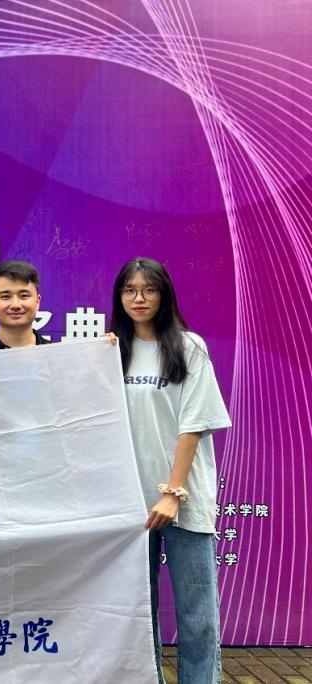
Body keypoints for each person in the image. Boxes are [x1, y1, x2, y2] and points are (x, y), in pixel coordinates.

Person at [111, 258, 230, 683]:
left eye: (149, 289)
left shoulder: (188, 346)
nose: (139, 298)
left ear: (164, 294)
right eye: (129, 290)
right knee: (137, 616)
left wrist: (172, 492)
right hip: (130, 504)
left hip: (182, 499)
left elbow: (192, 424)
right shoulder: (111, 352)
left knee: (198, 615)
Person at [0, 260, 50, 352]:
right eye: (5, 296)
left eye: (24, 295)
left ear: (37, 301)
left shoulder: (57, 355)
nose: (15, 305)